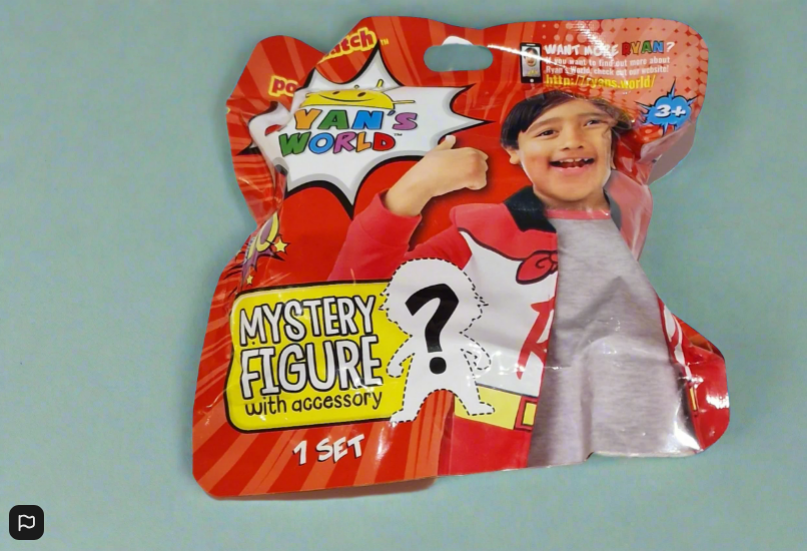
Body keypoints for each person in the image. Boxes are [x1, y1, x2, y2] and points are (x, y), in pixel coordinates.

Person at [329, 91, 701, 468]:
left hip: (641, 437)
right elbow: (352, 304)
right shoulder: (479, 234)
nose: (572, 140)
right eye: (547, 131)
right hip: (490, 447)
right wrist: (414, 188)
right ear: (513, 151)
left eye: (592, 123)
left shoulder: (630, 203)